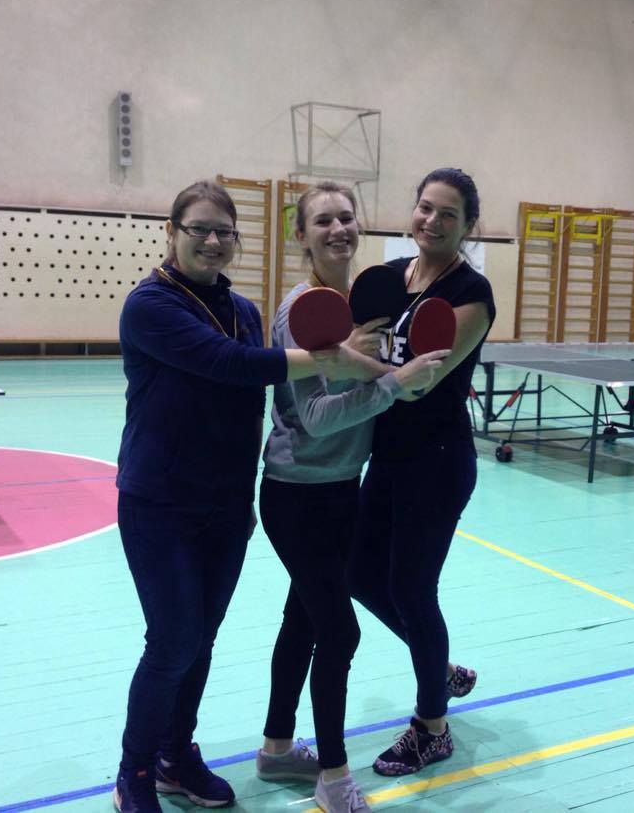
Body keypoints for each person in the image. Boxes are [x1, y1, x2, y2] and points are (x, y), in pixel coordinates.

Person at [113, 180, 389, 813]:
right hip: (159, 503)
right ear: (172, 232)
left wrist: (242, 502)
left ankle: (175, 754)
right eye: (199, 229)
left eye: (224, 231)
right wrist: (338, 360)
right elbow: (229, 366)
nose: (212, 241)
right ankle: (134, 771)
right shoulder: (149, 305)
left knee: (200, 639)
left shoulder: (241, 310)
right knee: (173, 640)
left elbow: (248, 409)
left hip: (224, 505)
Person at [253, 182, 446, 812]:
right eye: (323, 221)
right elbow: (313, 418)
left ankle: (276, 750)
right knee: (340, 633)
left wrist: (399, 380)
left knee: (303, 622)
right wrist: (391, 386)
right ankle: (334, 778)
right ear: (301, 235)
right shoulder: (302, 310)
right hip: (295, 496)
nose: (338, 229)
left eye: (346, 217)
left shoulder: (363, 309)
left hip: (343, 491)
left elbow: (383, 384)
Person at [347, 168, 495, 776]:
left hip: (437, 462)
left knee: (412, 589)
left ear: (468, 226)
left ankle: (432, 728)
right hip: (386, 456)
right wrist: (357, 354)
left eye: (448, 214)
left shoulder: (471, 294)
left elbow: (418, 384)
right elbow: (371, 355)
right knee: (358, 573)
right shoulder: (389, 278)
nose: (432, 221)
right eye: (425, 208)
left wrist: (352, 359)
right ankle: (441, 670)